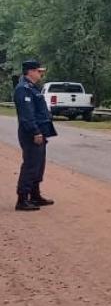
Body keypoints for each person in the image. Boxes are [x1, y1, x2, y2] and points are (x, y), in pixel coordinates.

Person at [13, 60, 57, 211]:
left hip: (40, 131)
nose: (41, 73)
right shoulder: (23, 89)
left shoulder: (32, 88)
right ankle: (22, 199)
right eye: (38, 71)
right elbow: (27, 115)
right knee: (31, 165)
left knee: (38, 165)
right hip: (31, 133)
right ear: (30, 71)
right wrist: (35, 132)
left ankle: (35, 195)